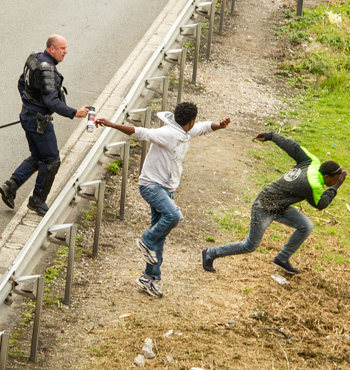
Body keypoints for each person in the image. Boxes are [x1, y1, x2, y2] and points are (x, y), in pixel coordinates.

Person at [95, 102, 230, 297]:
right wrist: (112, 124)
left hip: (166, 190)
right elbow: (141, 132)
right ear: (190, 121)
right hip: (151, 187)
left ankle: (149, 278)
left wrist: (219, 124)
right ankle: (146, 240)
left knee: (161, 237)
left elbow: (205, 128)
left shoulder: (186, 131)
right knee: (174, 217)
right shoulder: (168, 133)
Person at [202, 132, 347, 275]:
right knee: (250, 245)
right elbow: (321, 204)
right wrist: (336, 187)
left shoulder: (312, 161)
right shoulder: (313, 185)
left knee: (306, 226)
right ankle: (210, 253)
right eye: (335, 179)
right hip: (264, 206)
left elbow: (293, 146)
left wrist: (271, 136)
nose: (335, 181)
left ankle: (282, 258)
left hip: (280, 206)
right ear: (327, 176)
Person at [0, 34, 89, 216]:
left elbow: (21, 83)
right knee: (52, 160)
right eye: (62, 48)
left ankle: (10, 187)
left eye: (66, 48)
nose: (66, 51)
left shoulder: (34, 59)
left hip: (28, 116)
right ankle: (37, 201)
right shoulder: (47, 69)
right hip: (38, 121)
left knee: (39, 156)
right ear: (52, 49)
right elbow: (51, 101)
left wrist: (29, 104)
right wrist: (74, 112)